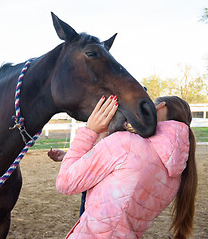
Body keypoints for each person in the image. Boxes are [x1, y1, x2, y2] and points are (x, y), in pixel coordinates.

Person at [48, 95, 197, 239]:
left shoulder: (126, 144)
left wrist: (90, 130)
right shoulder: (178, 173)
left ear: (159, 106)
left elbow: (65, 183)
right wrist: (76, 156)